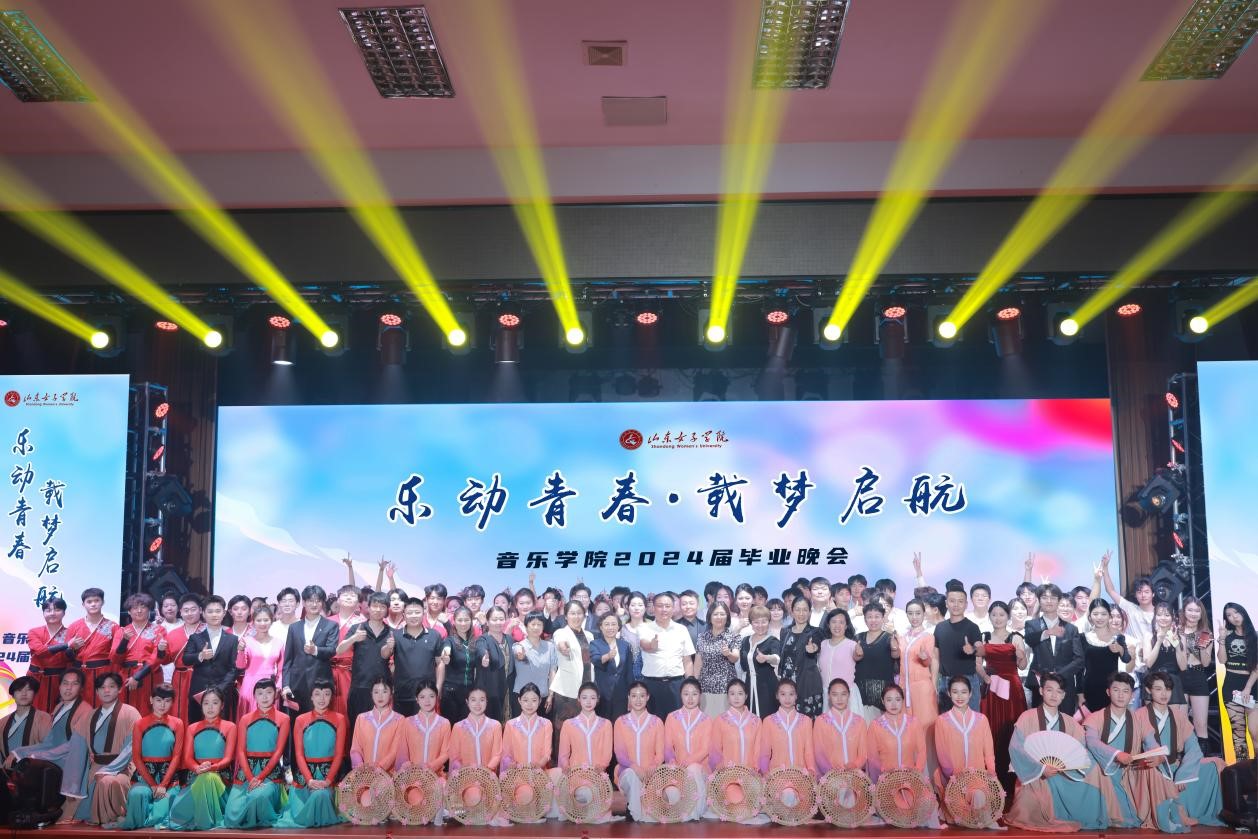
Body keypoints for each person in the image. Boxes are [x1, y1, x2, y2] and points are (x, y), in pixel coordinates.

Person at [1005, 672, 1111, 832]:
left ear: (1064, 695)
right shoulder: (1026, 717)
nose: (1054, 695)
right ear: (1041, 691)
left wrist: (1067, 767)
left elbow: (1081, 751)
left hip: (1063, 776)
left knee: (1095, 769)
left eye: (1059, 691)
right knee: (1027, 809)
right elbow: (1016, 748)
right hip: (1035, 777)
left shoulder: (1070, 722)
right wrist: (1041, 768)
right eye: (1049, 690)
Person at [1135, 670, 1225, 828]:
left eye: (1167, 689)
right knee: (1156, 772)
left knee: (1215, 764)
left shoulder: (1178, 715)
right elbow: (1149, 743)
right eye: (1158, 689)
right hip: (1152, 766)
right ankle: (1174, 812)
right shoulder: (1139, 715)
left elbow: (1193, 747)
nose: (1164, 694)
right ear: (1148, 690)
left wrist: (1183, 774)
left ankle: (1211, 811)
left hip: (1175, 765)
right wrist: (1162, 762)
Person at [4, 668, 92, 820]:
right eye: (65, 683)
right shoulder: (59, 707)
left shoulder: (85, 710)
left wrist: (41, 755)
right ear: (59, 686)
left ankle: (41, 811)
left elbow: (74, 745)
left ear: (81, 688)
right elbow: (50, 741)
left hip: (73, 760)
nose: (69, 688)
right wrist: (18, 752)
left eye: (74, 684)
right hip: (57, 756)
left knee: (32, 768)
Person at [275, 678, 347, 829]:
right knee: (308, 803)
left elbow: (339, 754)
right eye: (317, 694)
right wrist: (309, 780)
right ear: (311, 697)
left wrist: (328, 781)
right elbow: (299, 755)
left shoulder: (340, 719)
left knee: (321, 795)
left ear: (332, 697)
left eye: (326, 694)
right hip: (304, 779)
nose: (322, 698)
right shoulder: (301, 720)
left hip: (328, 777)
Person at [114, 683, 185, 830]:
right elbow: (136, 757)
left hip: (169, 778)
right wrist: (152, 784)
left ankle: (141, 819)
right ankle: (138, 818)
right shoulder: (140, 724)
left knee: (162, 808)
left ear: (172, 702)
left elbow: (177, 756)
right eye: (159, 700)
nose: (162, 705)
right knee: (137, 795)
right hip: (144, 776)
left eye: (167, 701)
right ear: (151, 700)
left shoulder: (178, 723)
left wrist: (163, 785)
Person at [75, 671, 142, 825]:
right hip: (96, 766)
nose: (106, 690)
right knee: (94, 782)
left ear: (119, 689)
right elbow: (78, 746)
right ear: (96, 691)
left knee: (109, 781)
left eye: (111, 686)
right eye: (102, 687)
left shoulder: (131, 713)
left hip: (123, 766)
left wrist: (109, 769)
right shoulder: (89, 715)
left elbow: (132, 746)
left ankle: (115, 817)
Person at [975, 599, 1027, 794]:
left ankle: (1012, 782)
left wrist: (1021, 656)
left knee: (1012, 730)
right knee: (991, 730)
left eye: (1001, 615)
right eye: (994, 615)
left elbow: (1022, 665)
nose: (998, 618)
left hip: (1012, 689)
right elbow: (977, 664)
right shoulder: (984, 636)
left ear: (1008, 616)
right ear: (989, 616)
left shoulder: (1016, 637)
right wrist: (986, 678)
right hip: (992, 688)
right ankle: (992, 780)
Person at [867, 683, 939, 827]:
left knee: (925, 810)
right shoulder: (875, 725)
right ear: (882, 701)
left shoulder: (913, 722)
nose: (894, 704)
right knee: (897, 815)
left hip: (910, 779)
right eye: (889, 700)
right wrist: (884, 775)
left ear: (903, 700)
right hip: (886, 782)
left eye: (898, 699)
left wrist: (916, 772)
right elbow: (872, 757)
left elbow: (922, 751)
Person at [223, 677, 290, 828]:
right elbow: (240, 750)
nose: (264, 697)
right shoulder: (245, 719)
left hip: (269, 774)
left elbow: (279, 751)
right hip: (246, 773)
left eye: (269, 692)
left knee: (257, 798)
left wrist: (260, 777)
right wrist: (250, 777)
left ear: (275, 694)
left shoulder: (284, 718)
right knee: (231, 816)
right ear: (254, 696)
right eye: (260, 693)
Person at [167, 688, 236, 831]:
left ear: (222, 705)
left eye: (215, 703)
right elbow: (187, 758)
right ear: (201, 705)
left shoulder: (230, 727)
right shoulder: (192, 728)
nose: (210, 707)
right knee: (204, 778)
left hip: (221, 776)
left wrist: (212, 768)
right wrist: (197, 768)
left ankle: (205, 822)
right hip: (197, 774)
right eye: (206, 703)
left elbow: (228, 758)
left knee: (208, 777)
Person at [1082, 672, 1144, 829]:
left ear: (1132, 694)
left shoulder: (1139, 719)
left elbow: (1151, 742)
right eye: (1116, 690)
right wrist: (1116, 754)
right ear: (1108, 692)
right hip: (1101, 769)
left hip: (1129, 770)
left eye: (1126, 691)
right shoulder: (1094, 717)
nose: (1121, 695)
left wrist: (1156, 754)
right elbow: (1092, 742)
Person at [933, 676, 996, 825]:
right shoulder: (942, 721)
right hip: (952, 778)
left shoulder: (981, 719)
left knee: (979, 804)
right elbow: (942, 754)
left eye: (963, 692)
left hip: (977, 777)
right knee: (961, 817)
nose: (959, 696)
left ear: (970, 693)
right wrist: (953, 778)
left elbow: (988, 751)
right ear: (949, 693)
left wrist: (991, 772)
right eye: (955, 692)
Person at [556, 682, 614, 823]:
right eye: (584, 697)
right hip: (575, 775)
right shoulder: (569, 724)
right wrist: (566, 767)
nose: (588, 702)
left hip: (597, 775)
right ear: (579, 699)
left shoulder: (605, 724)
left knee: (595, 806)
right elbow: (563, 754)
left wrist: (602, 766)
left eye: (592, 698)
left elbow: (607, 752)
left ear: (597, 700)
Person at [1025, 583, 1085, 715]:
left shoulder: (1071, 629)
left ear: (1059, 601)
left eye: (1053, 597)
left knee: (1065, 722)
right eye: (1044, 597)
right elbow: (1029, 639)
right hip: (1040, 684)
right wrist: (1048, 632)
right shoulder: (1032, 625)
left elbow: (1079, 660)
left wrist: (1059, 674)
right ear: (1039, 600)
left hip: (1065, 685)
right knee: (1040, 722)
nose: (1049, 601)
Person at [280, 585, 338, 718]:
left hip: (321, 684)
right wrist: (286, 685)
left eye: (318, 601)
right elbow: (288, 659)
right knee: (297, 723)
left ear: (322, 603)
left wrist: (315, 650)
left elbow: (332, 650)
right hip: (296, 685)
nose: (314, 604)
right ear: (304, 603)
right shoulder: (294, 627)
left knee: (320, 721)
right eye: (310, 601)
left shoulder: (331, 626)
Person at [183, 595, 241, 724]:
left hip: (222, 692)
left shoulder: (232, 639)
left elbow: (233, 669)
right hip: (198, 691)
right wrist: (200, 655)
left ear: (224, 613)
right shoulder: (195, 637)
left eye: (218, 611)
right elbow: (185, 659)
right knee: (196, 726)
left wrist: (220, 689)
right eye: (210, 611)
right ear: (203, 613)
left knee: (222, 729)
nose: (214, 615)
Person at [638, 592, 695, 719]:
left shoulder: (681, 629)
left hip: (676, 684)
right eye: (660, 606)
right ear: (653, 608)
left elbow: (687, 660)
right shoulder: (644, 628)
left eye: (667, 606)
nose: (664, 609)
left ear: (673, 608)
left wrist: (689, 683)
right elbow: (644, 644)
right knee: (652, 724)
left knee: (677, 723)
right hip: (652, 685)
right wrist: (652, 645)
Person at [613, 681, 664, 822]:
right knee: (632, 776)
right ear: (628, 697)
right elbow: (620, 754)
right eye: (634, 696)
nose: (638, 700)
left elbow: (660, 754)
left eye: (642, 696)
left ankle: (637, 812)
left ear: (648, 697)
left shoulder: (657, 722)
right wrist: (635, 768)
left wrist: (652, 767)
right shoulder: (620, 722)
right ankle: (638, 817)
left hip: (650, 773)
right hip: (627, 772)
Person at [342, 591, 393, 730]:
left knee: (381, 729)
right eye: (375, 606)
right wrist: (354, 638)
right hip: (359, 686)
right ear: (368, 608)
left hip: (382, 689)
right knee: (357, 728)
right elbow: (339, 650)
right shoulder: (357, 628)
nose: (378, 609)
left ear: (387, 610)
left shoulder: (391, 632)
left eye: (382, 606)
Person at [662, 677, 711, 822]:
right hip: (678, 769)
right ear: (680, 695)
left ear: (700, 696)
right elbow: (667, 746)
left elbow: (705, 749)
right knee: (671, 793)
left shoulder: (706, 719)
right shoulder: (672, 717)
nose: (690, 698)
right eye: (686, 694)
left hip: (700, 769)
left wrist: (687, 763)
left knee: (694, 768)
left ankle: (694, 814)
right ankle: (685, 811)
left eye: (694, 694)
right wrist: (673, 762)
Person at [386, 596, 443, 718]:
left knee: (425, 727)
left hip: (427, 694)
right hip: (402, 693)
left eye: (417, 612)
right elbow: (384, 655)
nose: (413, 616)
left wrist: (438, 687)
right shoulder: (395, 635)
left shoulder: (434, 635)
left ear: (424, 613)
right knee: (402, 727)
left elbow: (440, 663)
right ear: (404, 614)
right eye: (409, 613)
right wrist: (388, 646)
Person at [111, 593, 167, 716]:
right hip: (127, 676)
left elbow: (157, 657)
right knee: (126, 712)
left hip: (149, 674)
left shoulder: (159, 630)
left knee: (150, 711)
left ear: (149, 609)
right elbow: (115, 659)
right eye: (135, 608)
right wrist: (124, 641)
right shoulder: (122, 631)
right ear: (129, 611)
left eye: (143, 607)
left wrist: (137, 677)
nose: (139, 610)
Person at [550, 601, 595, 748]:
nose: (576, 616)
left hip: (587, 689)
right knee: (563, 729)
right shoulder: (561, 632)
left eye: (579, 613)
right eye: (572, 613)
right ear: (566, 616)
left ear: (584, 615)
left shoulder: (589, 635)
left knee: (582, 730)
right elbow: (560, 643)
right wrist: (563, 647)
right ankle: (562, 760)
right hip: (567, 690)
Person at [66, 588, 120, 707]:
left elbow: (116, 656)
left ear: (103, 602)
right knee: (79, 708)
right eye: (89, 601)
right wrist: (71, 647)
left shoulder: (113, 626)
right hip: (79, 674)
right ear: (83, 604)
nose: (93, 604)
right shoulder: (74, 626)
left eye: (97, 600)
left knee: (101, 707)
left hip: (103, 673)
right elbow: (66, 656)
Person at [934, 579, 982, 712]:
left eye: (960, 601)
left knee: (972, 720)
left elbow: (982, 650)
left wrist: (973, 650)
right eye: (952, 601)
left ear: (966, 604)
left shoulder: (972, 627)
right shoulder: (940, 628)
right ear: (946, 603)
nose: (956, 605)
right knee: (946, 720)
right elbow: (935, 658)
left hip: (968, 681)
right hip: (945, 682)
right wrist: (933, 684)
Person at [1219, 602, 1258, 759]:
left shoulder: (1255, 636)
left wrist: (1248, 687)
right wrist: (1222, 640)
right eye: (1229, 615)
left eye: (1236, 612)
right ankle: (1243, 768)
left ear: (1243, 612)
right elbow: (1222, 660)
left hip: (1252, 687)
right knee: (1238, 733)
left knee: (1255, 732)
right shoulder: (1227, 636)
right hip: (1231, 686)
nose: (1233, 617)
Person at [1080, 599, 1131, 715]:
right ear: (1090, 617)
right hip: (1090, 687)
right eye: (1095, 614)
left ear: (1109, 616)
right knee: (1091, 721)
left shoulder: (1117, 636)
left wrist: (1120, 649)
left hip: (1112, 687)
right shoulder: (1083, 637)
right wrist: (1079, 692)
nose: (1099, 617)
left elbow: (1126, 659)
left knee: (1111, 720)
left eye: (1103, 614)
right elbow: (1079, 668)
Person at [161, 595, 205, 723]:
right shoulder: (173, 634)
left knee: (201, 712)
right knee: (178, 711)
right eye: (186, 610)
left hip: (202, 677)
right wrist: (160, 650)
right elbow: (165, 660)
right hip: (179, 678)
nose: (189, 613)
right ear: (180, 612)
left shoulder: (208, 631)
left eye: (193, 609)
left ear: (200, 610)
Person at [235, 604, 284, 718]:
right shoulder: (246, 641)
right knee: (250, 721)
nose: (262, 623)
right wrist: (240, 651)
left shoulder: (279, 642)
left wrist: (278, 686)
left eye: (266, 620)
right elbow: (240, 665)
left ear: (271, 621)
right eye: (259, 620)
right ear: (253, 622)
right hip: (250, 685)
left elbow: (282, 669)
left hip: (271, 688)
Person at [779, 595, 824, 718]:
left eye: (805, 610)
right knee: (788, 720)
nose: (801, 613)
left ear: (810, 612)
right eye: (798, 609)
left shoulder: (816, 631)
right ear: (792, 611)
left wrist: (812, 648)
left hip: (808, 684)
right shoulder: (785, 631)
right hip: (788, 684)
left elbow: (816, 645)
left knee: (808, 721)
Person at [758, 679, 816, 775]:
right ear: (777, 696)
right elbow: (765, 752)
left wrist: (811, 770)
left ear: (796, 696)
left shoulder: (806, 721)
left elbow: (809, 751)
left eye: (791, 694)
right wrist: (765, 772)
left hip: (801, 775)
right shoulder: (768, 721)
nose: (787, 698)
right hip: (777, 775)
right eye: (783, 694)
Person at [27, 595, 72, 713]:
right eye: (48, 610)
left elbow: (71, 659)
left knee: (57, 713)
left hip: (59, 680)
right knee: (31, 713)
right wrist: (67, 645)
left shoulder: (70, 633)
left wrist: (71, 650)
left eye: (57, 610)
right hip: (35, 678)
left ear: (64, 612)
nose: (52, 613)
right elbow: (40, 651)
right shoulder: (34, 632)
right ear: (43, 613)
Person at [853, 602, 899, 720]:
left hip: (883, 691)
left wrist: (895, 648)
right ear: (865, 619)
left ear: (883, 618)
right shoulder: (857, 638)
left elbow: (896, 655)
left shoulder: (889, 638)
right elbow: (854, 658)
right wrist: (857, 654)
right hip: (861, 689)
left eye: (877, 616)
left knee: (882, 726)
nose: (873, 620)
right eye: (869, 617)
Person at [813, 678, 868, 774]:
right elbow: (818, 753)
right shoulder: (820, 721)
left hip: (854, 777)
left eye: (843, 694)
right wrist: (832, 772)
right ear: (829, 696)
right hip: (830, 777)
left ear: (849, 695)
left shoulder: (860, 722)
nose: (839, 699)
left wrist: (855, 765)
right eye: (835, 694)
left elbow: (863, 753)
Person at [817, 607, 865, 718]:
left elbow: (858, 656)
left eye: (841, 622)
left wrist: (859, 654)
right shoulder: (822, 644)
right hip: (826, 695)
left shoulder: (852, 645)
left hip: (846, 696)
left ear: (846, 625)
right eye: (833, 622)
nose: (837, 626)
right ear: (828, 625)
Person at [1178, 597, 1213, 746]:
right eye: (1190, 610)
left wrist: (1202, 648)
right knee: (1181, 724)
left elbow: (1206, 663)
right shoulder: (1176, 630)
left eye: (1197, 611)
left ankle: (1202, 757)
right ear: (1184, 611)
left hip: (1198, 676)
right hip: (1180, 676)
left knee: (1201, 724)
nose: (1193, 614)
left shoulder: (1206, 634)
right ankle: (1182, 757)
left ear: (1201, 613)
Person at [694, 601, 739, 716]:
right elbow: (698, 662)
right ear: (710, 617)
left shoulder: (733, 636)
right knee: (706, 721)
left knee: (724, 721)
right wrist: (694, 683)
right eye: (715, 614)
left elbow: (735, 658)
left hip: (725, 687)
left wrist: (728, 653)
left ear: (727, 617)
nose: (719, 617)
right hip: (704, 686)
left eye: (722, 614)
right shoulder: (702, 637)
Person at [900, 598, 939, 727]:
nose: (914, 617)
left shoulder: (928, 637)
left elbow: (928, 662)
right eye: (910, 613)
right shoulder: (902, 637)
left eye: (918, 613)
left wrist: (924, 657)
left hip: (921, 687)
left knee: (924, 723)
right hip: (903, 686)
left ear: (923, 614)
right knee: (906, 725)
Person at [441, 606, 482, 726]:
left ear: (471, 621)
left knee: (466, 727)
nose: (463, 623)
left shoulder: (474, 642)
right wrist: (446, 656)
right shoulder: (449, 640)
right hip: (451, 692)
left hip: (469, 693)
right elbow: (446, 650)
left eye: (466, 620)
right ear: (454, 621)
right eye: (459, 620)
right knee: (451, 726)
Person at [1143, 601, 1188, 711]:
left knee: (1173, 719)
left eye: (1167, 615)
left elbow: (1183, 667)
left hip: (1172, 682)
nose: (1163, 618)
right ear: (1155, 617)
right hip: (1153, 681)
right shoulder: (1148, 636)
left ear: (1172, 618)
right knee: (1153, 719)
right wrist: (1159, 641)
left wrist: (1177, 646)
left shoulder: (1181, 637)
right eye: (1159, 615)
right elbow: (1148, 663)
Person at [328, 583, 364, 719]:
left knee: (347, 709)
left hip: (350, 672)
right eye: (345, 595)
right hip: (327, 671)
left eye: (353, 595)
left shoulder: (363, 622)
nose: (349, 597)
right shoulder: (327, 621)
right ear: (338, 600)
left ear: (358, 602)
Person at [710, 678, 762, 772]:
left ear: (746, 696)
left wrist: (755, 769)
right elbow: (715, 750)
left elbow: (758, 750)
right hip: (727, 773)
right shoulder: (720, 720)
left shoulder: (756, 721)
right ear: (728, 697)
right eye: (732, 694)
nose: (736, 697)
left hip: (750, 774)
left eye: (740, 693)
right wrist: (720, 769)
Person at [738, 605, 782, 717]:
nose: (760, 625)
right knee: (750, 718)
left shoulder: (772, 641)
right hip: (749, 685)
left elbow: (777, 659)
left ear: (769, 622)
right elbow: (743, 665)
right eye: (756, 622)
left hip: (767, 686)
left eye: (764, 622)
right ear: (751, 623)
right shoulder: (745, 641)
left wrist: (767, 658)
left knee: (768, 717)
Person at [511, 613, 557, 718]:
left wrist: (551, 695)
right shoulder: (518, 646)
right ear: (526, 626)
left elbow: (552, 672)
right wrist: (520, 655)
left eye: (539, 624)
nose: (536, 627)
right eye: (533, 624)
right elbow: (519, 653)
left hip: (543, 697)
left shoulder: (550, 647)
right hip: (522, 698)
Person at [403, 680, 452, 779]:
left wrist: (431, 767)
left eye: (431, 696)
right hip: (412, 776)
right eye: (422, 697)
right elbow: (403, 752)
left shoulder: (444, 723)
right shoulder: (408, 722)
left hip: (436, 776)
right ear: (417, 699)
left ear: (437, 697)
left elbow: (446, 753)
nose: (427, 700)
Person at [500, 682, 553, 771]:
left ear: (540, 701)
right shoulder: (510, 724)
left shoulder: (546, 724)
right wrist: (510, 764)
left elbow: (547, 754)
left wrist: (539, 765)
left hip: (540, 774)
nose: (529, 704)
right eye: (525, 700)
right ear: (519, 700)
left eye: (534, 700)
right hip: (517, 773)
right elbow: (506, 754)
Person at [590, 611, 633, 721]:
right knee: (603, 725)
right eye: (607, 624)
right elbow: (596, 660)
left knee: (621, 724)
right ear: (601, 627)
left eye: (613, 624)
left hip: (622, 695)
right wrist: (608, 656)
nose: (610, 627)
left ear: (618, 627)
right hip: (603, 695)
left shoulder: (625, 645)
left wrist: (631, 694)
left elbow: (629, 672)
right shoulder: (595, 644)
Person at [474, 606, 514, 722]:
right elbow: (481, 650)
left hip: (507, 689)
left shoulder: (509, 639)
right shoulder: (483, 639)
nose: (498, 622)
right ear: (487, 621)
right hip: (490, 690)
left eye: (501, 619)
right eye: (494, 619)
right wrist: (484, 658)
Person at [1, 676, 51, 763]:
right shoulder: (2, 722)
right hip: (6, 769)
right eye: (19, 690)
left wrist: (20, 753)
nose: (24, 694)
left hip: (33, 767)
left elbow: (49, 745)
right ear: (12, 695)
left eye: (28, 690)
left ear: (34, 693)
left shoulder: (44, 718)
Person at [620, 592, 648, 678]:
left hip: (648, 675)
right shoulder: (621, 629)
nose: (636, 608)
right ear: (627, 607)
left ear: (645, 607)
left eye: (640, 605)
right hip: (626, 674)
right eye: (633, 605)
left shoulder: (653, 629)